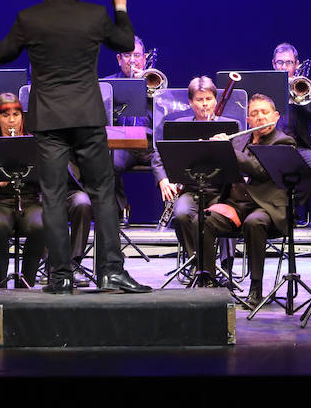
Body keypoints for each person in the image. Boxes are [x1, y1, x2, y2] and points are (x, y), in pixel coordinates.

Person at [0, 0, 148, 294]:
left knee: (53, 197)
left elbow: (1, 55)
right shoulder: (95, 14)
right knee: (102, 193)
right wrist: (120, 6)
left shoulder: (30, 18)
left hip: (49, 119)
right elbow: (126, 41)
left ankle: (61, 277)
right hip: (87, 115)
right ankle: (111, 271)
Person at [0, 93, 93, 289]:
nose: (12, 120)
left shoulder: (33, 143)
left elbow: (45, 179)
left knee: (41, 225)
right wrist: (0, 183)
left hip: (30, 202)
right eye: (5, 115)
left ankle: (26, 283)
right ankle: (1, 285)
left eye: (16, 114)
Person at [196, 94, 295, 309]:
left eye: (265, 112)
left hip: (266, 207)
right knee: (204, 221)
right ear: (248, 120)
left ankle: (256, 288)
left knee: (254, 222)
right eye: (254, 114)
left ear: (276, 116)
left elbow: (259, 170)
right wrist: (213, 150)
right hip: (236, 205)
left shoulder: (283, 142)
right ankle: (209, 283)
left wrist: (228, 149)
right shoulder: (239, 140)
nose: (260, 118)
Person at [161, 75, 225, 266]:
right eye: (199, 99)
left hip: (222, 190)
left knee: (226, 214)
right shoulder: (181, 126)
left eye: (208, 99)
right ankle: (196, 263)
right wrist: (165, 178)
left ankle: (222, 265)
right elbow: (161, 154)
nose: (204, 104)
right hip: (191, 189)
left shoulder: (229, 126)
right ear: (190, 102)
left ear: (216, 100)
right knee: (181, 215)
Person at [106, 36, 171, 221]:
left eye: (137, 55)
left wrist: (145, 90)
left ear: (144, 58)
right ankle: (119, 211)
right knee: (106, 163)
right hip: (121, 145)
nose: (132, 60)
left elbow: (163, 119)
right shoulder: (108, 84)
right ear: (119, 59)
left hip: (150, 146)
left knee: (173, 160)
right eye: (127, 55)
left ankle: (173, 217)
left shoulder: (155, 82)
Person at [272, 42, 311, 150]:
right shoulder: (265, 87)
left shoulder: (300, 85)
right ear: (273, 64)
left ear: (296, 64)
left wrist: (298, 93)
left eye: (289, 62)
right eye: (280, 62)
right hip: (270, 145)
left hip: (299, 147)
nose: (284, 67)